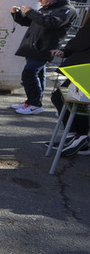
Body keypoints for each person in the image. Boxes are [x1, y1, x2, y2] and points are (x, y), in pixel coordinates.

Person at [10, 0, 75, 115]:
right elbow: (28, 22)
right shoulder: (46, 9)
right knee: (38, 74)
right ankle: (32, 101)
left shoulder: (67, 10)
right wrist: (16, 14)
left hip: (45, 48)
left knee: (29, 74)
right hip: (32, 46)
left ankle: (35, 104)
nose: (39, 0)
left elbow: (51, 23)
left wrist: (31, 12)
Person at [50, 13, 90, 155]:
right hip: (83, 66)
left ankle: (80, 137)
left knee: (67, 98)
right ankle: (75, 136)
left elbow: (82, 40)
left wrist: (68, 49)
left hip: (85, 68)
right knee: (69, 99)